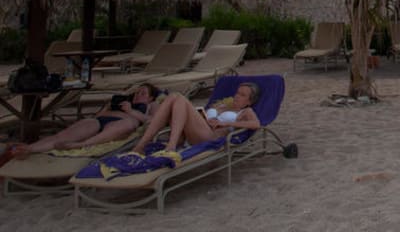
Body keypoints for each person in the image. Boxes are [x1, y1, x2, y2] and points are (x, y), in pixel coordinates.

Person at [6, 83, 160, 159]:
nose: (138, 95)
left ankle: (81, 145)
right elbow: (99, 114)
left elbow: (152, 120)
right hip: (101, 120)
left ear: (151, 97)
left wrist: (131, 111)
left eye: (143, 93)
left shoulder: (152, 105)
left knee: (129, 123)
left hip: (124, 123)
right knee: (63, 136)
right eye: (137, 92)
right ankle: (29, 149)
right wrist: (111, 108)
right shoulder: (123, 100)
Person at [132, 81, 261, 154]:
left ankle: (169, 146)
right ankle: (142, 144)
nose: (237, 96)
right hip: (191, 133)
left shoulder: (246, 111)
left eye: (242, 95)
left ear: (249, 101)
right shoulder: (223, 106)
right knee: (173, 97)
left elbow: (256, 124)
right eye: (237, 93)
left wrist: (226, 124)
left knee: (179, 98)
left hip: (209, 136)